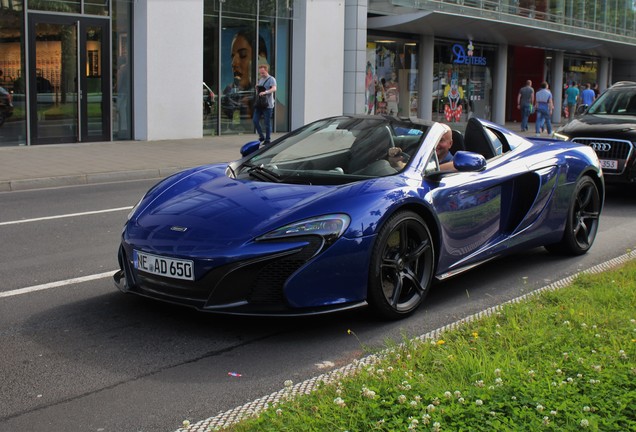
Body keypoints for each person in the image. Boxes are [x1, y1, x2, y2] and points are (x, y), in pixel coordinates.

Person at [253, 62, 276, 145]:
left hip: (268, 104)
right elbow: (259, 91)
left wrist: (265, 92)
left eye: (263, 73)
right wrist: (257, 87)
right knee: (255, 120)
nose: (261, 74)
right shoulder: (261, 79)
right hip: (259, 103)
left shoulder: (271, 79)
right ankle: (261, 136)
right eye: (260, 73)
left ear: (267, 71)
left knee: (267, 122)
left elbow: (274, 89)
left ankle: (267, 140)